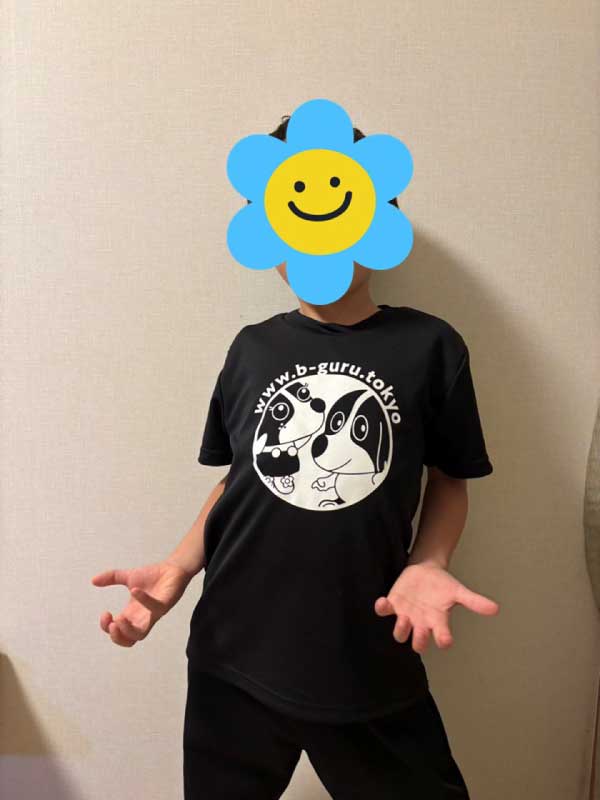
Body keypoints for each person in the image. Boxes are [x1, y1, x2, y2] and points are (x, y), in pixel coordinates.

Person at [91, 115, 500, 799]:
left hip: (367, 656)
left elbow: (451, 479)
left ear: (379, 220)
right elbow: (239, 479)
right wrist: (178, 568)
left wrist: (429, 562)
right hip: (233, 656)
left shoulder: (430, 347)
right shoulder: (252, 349)